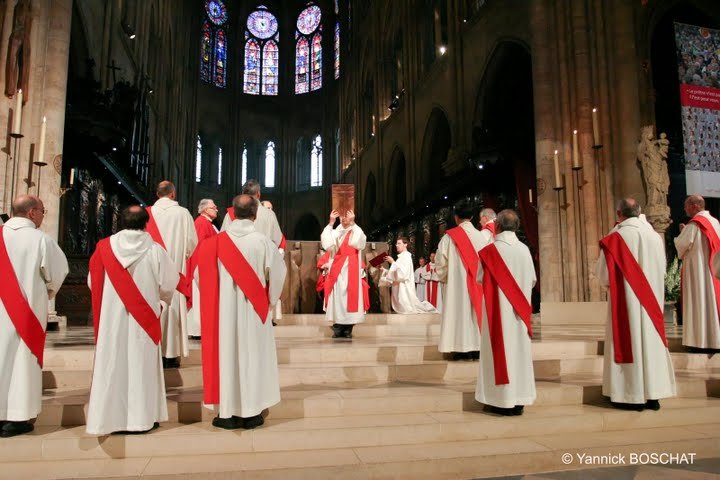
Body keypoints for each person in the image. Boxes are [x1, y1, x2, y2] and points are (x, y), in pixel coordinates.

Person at [189, 194, 286, 430]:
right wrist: (270, 301)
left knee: (227, 357)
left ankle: (227, 413)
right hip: (254, 312)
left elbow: (199, 277)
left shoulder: (213, 243)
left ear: (232, 212)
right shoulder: (263, 242)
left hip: (222, 313)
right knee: (252, 357)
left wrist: (220, 295)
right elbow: (278, 275)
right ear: (255, 214)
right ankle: (252, 413)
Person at [86, 206, 179, 435]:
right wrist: (160, 303)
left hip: (111, 321)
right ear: (146, 223)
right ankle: (142, 419)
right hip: (144, 320)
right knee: (141, 366)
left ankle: (109, 419)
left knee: (112, 365)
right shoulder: (155, 250)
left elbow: (93, 282)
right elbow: (169, 284)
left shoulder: (103, 248)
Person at [598, 198, 676, 411]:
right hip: (651, 300)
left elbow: (603, 276)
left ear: (618, 213)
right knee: (650, 344)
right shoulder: (653, 236)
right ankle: (653, 394)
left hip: (626, 301)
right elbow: (662, 267)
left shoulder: (614, 238)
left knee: (628, 342)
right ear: (639, 212)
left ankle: (629, 394)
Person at [0, 195, 68, 438]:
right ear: (31, 213)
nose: (43, 214)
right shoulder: (40, 240)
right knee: (22, 362)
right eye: (42, 210)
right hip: (26, 313)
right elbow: (58, 272)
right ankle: (17, 418)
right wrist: (46, 292)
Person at [475, 209, 535, 415]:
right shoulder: (525, 250)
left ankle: (498, 400)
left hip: (497, 313)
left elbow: (480, 277)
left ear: (497, 226)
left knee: (498, 353)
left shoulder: (490, 250)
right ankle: (518, 399)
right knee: (519, 354)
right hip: (519, 314)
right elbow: (533, 280)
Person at [146, 181, 198, 368]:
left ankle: (152, 350)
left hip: (150, 271)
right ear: (173, 194)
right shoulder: (183, 214)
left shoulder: (147, 213)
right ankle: (171, 354)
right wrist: (180, 257)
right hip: (175, 270)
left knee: (152, 307)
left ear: (157, 194)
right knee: (172, 307)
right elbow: (192, 243)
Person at [435, 200, 490, 360]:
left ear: (456, 217)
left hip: (456, 287)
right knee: (475, 314)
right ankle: (477, 347)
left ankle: (460, 350)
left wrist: (447, 278)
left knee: (459, 314)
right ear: (472, 217)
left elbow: (441, 263)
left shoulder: (449, 238)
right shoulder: (481, 237)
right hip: (478, 285)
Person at [674, 195, 720, 350]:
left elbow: (682, 245)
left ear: (694, 206)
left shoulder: (695, 225)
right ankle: (715, 340)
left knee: (699, 303)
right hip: (713, 272)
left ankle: (700, 343)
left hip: (698, 273)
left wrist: (682, 232)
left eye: (686, 206)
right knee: (711, 304)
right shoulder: (715, 222)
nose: (685, 209)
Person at [321, 209, 366, 339]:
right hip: (337, 271)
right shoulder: (335, 232)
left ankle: (348, 329)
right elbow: (327, 244)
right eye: (342, 216)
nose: (344, 219)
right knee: (338, 300)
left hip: (351, 270)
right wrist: (331, 222)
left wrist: (353, 223)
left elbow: (360, 243)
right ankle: (338, 327)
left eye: (346, 216)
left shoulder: (356, 230)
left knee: (350, 298)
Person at [380, 238, 437, 314]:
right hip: (399, 287)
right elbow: (396, 271)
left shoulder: (406, 256)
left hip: (404, 288)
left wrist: (393, 262)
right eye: (396, 244)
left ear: (405, 244)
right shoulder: (401, 257)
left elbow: (403, 274)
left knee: (409, 308)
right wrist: (384, 270)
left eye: (399, 243)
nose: (396, 245)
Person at [221, 180, 282, 247]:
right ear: (258, 194)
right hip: (261, 255)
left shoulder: (232, 213)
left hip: (237, 255)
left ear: (242, 194)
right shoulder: (269, 214)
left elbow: (223, 238)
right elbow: (276, 241)